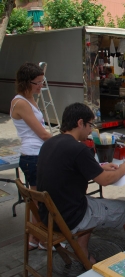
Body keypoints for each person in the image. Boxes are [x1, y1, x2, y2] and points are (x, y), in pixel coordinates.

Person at [37, 103, 125, 263]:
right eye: (90, 125)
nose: (90, 130)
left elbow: (68, 170)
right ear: (80, 123)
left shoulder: (49, 143)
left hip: (49, 215)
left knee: (93, 204)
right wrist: (122, 170)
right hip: (71, 217)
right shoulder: (78, 148)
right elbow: (104, 180)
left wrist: (100, 167)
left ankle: (83, 252)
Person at [10, 63, 53, 250]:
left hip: (36, 154)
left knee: (38, 200)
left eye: (42, 81)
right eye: (38, 83)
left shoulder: (30, 99)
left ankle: (35, 239)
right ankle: (39, 239)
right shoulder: (21, 103)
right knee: (38, 202)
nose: (41, 86)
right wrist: (66, 141)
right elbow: (42, 134)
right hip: (33, 156)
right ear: (27, 83)